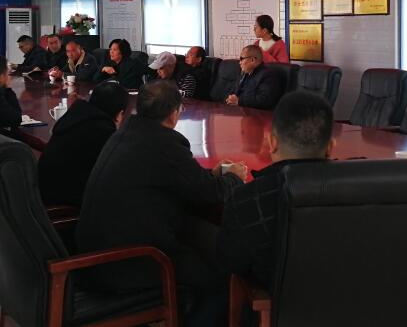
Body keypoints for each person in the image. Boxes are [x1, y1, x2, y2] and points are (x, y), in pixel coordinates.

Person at [77, 81, 248, 326]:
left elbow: (183, 180)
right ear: (173, 114)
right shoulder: (165, 143)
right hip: (130, 262)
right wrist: (234, 178)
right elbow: (209, 193)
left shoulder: (125, 133)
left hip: (97, 253)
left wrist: (211, 175)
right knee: (222, 280)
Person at [217, 91, 334, 288]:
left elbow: (230, 263)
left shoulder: (245, 198)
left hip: (272, 302)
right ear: (330, 148)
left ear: (272, 143)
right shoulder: (358, 193)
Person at [38, 81, 130, 207]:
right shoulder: (103, 130)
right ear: (119, 114)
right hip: (64, 199)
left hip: (43, 190)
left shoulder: (76, 115)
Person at [225, 45, 283, 110]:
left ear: (252, 60)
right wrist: (231, 98)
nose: (239, 63)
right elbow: (235, 91)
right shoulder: (246, 72)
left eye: (242, 59)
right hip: (242, 110)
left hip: (259, 114)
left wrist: (239, 101)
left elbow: (264, 100)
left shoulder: (267, 75)